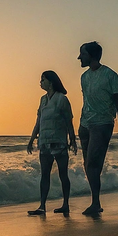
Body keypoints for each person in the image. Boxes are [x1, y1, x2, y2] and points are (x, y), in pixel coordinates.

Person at [77, 41, 118, 215]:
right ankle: (95, 201)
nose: (79, 57)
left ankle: (96, 202)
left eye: (82, 54)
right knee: (88, 165)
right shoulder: (83, 77)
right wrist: (80, 125)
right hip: (85, 124)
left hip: (103, 123)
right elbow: (87, 102)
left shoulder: (110, 75)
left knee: (93, 163)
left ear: (91, 55)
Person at [27, 70, 77, 215]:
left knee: (63, 174)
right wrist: (32, 139)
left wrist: (72, 140)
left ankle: (65, 204)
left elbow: (69, 121)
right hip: (44, 142)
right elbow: (39, 121)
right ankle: (42, 206)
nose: (40, 82)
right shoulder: (42, 100)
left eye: (43, 79)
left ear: (51, 82)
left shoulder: (62, 99)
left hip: (59, 142)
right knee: (44, 175)